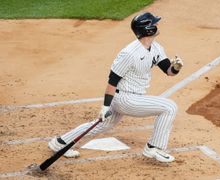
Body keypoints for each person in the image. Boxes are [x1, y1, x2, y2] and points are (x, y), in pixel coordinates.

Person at [48, 12, 183, 163]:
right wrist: (105, 106)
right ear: (148, 29)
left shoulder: (156, 48)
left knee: (103, 125)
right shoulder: (129, 53)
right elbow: (113, 80)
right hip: (125, 99)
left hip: (133, 97)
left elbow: (168, 71)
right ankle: (153, 147)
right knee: (169, 107)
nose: (158, 25)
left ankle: (60, 142)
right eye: (155, 23)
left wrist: (175, 67)